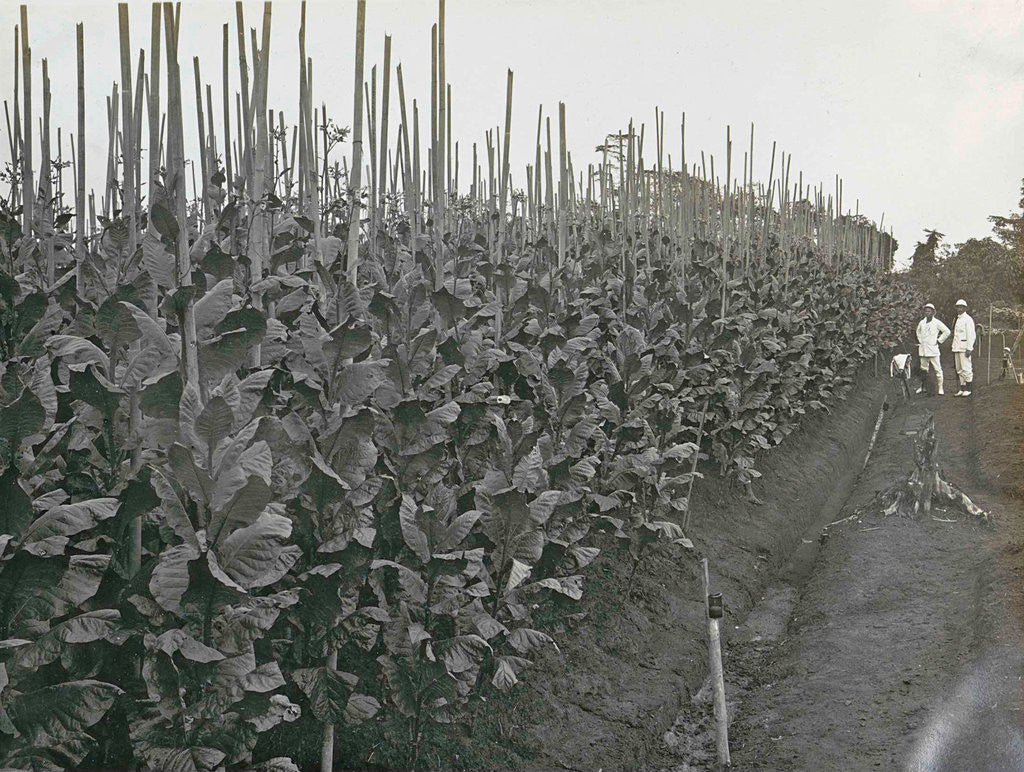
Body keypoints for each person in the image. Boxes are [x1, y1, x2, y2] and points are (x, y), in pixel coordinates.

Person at [916, 302, 950, 396]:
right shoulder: (922, 322)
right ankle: (923, 387)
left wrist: (939, 341)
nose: (927, 313)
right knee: (923, 370)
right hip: (923, 350)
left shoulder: (937, 322)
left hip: (933, 350)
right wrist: (921, 340)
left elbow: (947, 331)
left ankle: (940, 388)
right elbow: (918, 331)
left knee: (938, 369)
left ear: (933, 312)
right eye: (926, 311)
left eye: (929, 311)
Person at [951, 298, 977, 396]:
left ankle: (969, 389)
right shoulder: (957, 319)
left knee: (966, 368)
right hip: (957, 347)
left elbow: (971, 335)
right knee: (959, 369)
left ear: (965, 308)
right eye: (958, 307)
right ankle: (962, 388)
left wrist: (969, 348)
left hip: (964, 347)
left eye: (961, 307)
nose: (959, 309)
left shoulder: (968, 319)